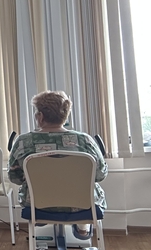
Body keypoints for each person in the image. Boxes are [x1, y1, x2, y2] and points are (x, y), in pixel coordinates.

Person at [7, 90, 108, 239]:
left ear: (40, 117)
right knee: (90, 190)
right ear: (65, 116)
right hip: (82, 206)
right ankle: (82, 228)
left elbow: (14, 177)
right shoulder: (85, 141)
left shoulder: (23, 142)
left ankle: (41, 221)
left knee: (33, 192)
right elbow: (100, 175)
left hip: (38, 206)